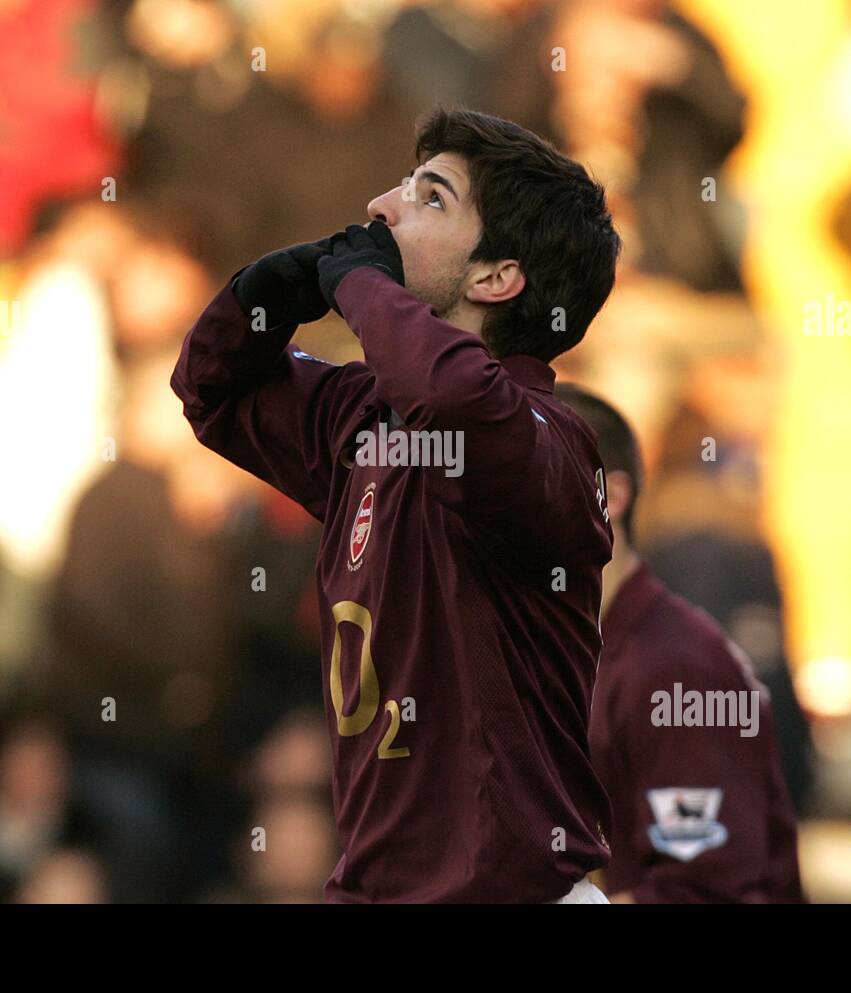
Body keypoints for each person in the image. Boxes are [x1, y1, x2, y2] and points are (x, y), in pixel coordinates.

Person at [171, 107, 621, 903]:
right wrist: (269, 291)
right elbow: (210, 389)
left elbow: (456, 398)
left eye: (432, 197)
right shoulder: (363, 414)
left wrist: (362, 286)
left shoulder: (551, 439)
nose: (382, 207)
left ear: (495, 278)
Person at [557, 383, 805, 903]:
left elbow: (710, 888)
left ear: (612, 498)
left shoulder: (675, 669)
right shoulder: (559, 652)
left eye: (532, 482)